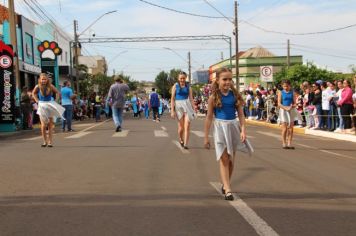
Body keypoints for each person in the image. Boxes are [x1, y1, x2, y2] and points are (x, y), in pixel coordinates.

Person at [204, 68, 247, 201]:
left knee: (231, 160)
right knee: (224, 159)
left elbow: (240, 114)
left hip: (233, 127)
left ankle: (225, 183)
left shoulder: (235, 96)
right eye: (224, 79)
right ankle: (228, 189)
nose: (228, 82)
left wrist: (243, 130)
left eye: (230, 79)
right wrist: (206, 137)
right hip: (220, 128)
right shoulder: (213, 97)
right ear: (217, 81)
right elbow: (209, 117)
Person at [32, 73, 65, 147]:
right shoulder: (37, 86)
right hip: (42, 105)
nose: (43, 81)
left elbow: (57, 93)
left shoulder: (50, 86)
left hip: (50, 105)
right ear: (40, 80)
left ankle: (50, 142)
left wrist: (56, 101)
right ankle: (44, 141)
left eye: (45, 79)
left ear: (47, 80)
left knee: (50, 125)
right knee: (43, 125)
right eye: (42, 79)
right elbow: (33, 93)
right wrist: (37, 100)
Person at [170, 71, 195, 149]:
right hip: (178, 106)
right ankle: (181, 138)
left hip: (187, 105)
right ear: (178, 78)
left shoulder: (189, 87)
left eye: (183, 78)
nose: (182, 80)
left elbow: (191, 98)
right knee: (181, 127)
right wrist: (172, 110)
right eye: (181, 78)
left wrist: (194, 108)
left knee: (187, 125)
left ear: (186, 78)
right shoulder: (175, 86)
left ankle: (185, 144)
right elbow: (172, 98)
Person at [278, 80, 298, 149]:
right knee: (284, 128)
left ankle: (289, 143)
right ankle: (284, 143)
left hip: (291, 110)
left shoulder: (293, 93)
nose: (285, 87)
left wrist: (292, 106)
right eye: (284, 86)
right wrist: (285, 108)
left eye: (287, 86)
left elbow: (295, 103)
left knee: (291, 128)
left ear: (290, 85)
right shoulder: (280, 92)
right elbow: (279, 103)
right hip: (283, 111)